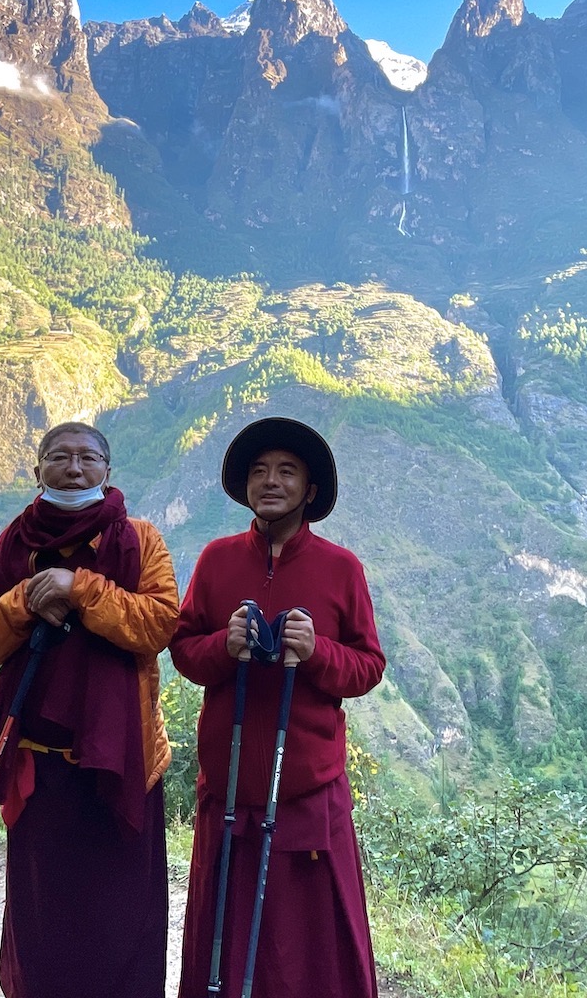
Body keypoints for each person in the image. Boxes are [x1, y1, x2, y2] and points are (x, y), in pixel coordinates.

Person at [0, 421, 178, 998]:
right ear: (38, 471)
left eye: (87, 458)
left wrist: (77, 587)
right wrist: (26, 599)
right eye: (59, 457)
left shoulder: (140, 538)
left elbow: (158, 624)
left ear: (109, 471)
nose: (74, 468)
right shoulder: (15, 543)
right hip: (40, 765)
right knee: (44, 910)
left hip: (123, 759)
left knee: (122, 909)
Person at [171, 416, 386, 998]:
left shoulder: (342, 569)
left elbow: (368, 666)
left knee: (309, 948)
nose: (271, 482)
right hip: (231, 788)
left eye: (287, 472)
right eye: (260, 472)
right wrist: (225, 645)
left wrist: (317, 654)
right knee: (224, 933)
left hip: (306, 790)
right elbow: (185, 651)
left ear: (310, 491)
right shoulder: (217, 561)